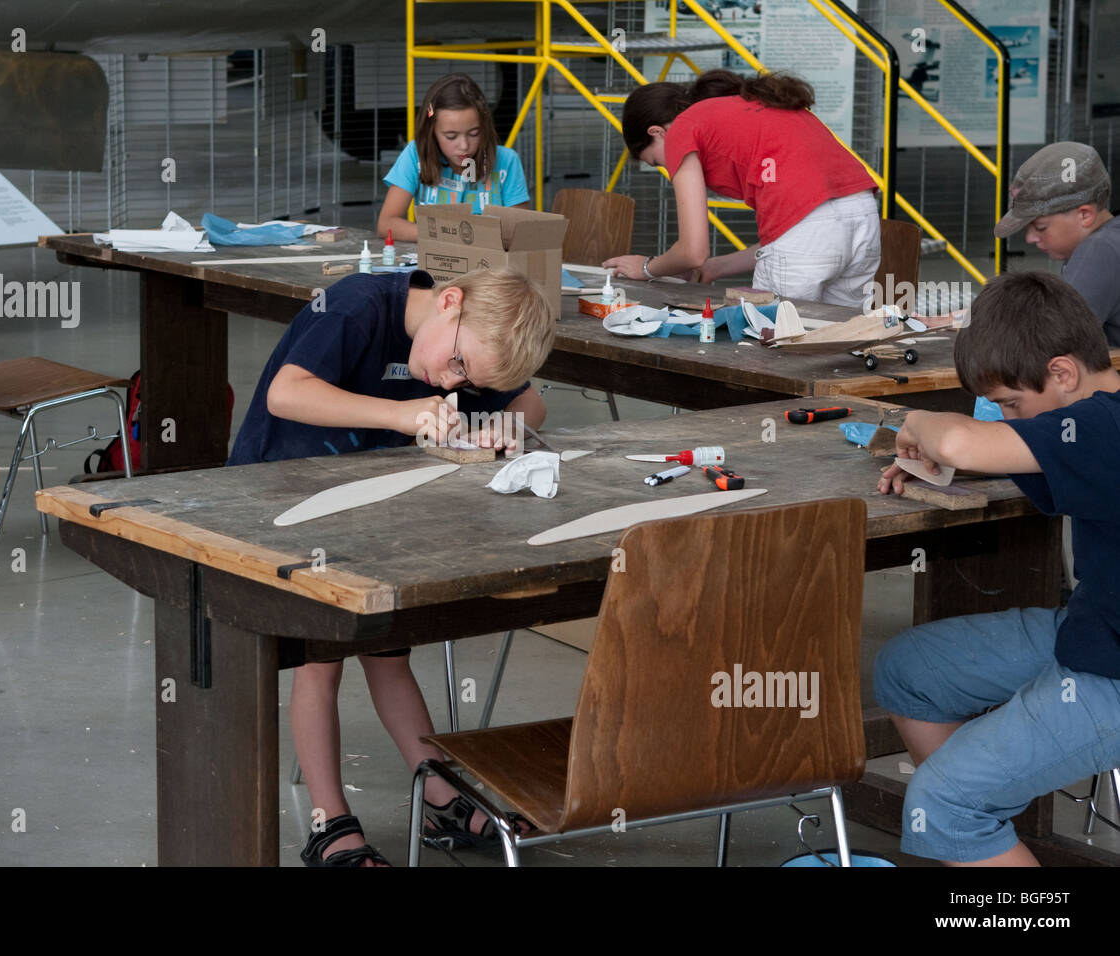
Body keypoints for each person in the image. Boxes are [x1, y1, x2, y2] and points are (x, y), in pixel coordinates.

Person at [228, 267, 552, 865]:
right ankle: (330, 824)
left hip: (369, 509)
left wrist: (499, 429)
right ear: (448, 302)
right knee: (321, 661)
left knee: (389, 650)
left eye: (466, 379)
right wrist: (402, 415)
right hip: (281, 501)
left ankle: (441, 793)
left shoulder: (463, 339)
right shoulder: (356, 306)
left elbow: (531, 401)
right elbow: (286, 392)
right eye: (456, 366)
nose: (452, 384)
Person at [875, 271, 1120, 866]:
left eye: (1011, 404)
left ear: (1063, 372)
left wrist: (920, 428)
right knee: (911, 670)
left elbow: (960, 441)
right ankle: (985, 830)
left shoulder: (1100, 426)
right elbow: (1046, 452)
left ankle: (968, 818)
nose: (1007, 417)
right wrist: (954, 458)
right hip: (1096, 628)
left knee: (944, 804)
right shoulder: (1093, 412)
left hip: (1112, 667)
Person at [603, 69, 880, 307]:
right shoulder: (748, 108)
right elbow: (808, 229)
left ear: (656, 132)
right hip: (864, 217)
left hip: (812, 234)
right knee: (844, 338)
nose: (669, 169)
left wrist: (646, 268)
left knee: (775, 343)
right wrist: (717, 267)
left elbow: (693, 251)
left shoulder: (681, 129)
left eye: (657, 162)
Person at [993, 141, 1120, 345]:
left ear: (1085, 215)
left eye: (1041, 227)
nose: (1030, 238)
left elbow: (1052, 339)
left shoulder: (1100, 249)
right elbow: (1045, 311)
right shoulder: (1112, 237)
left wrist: (976, 322)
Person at [377, 72, 530, 242]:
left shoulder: (507, 161)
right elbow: (386, 224)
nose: (464, 145)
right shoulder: (416, 154)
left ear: (484, 126)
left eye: (474, 133)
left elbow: (519, 231)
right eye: (451, 136)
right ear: (431, 131)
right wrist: (448, 235)